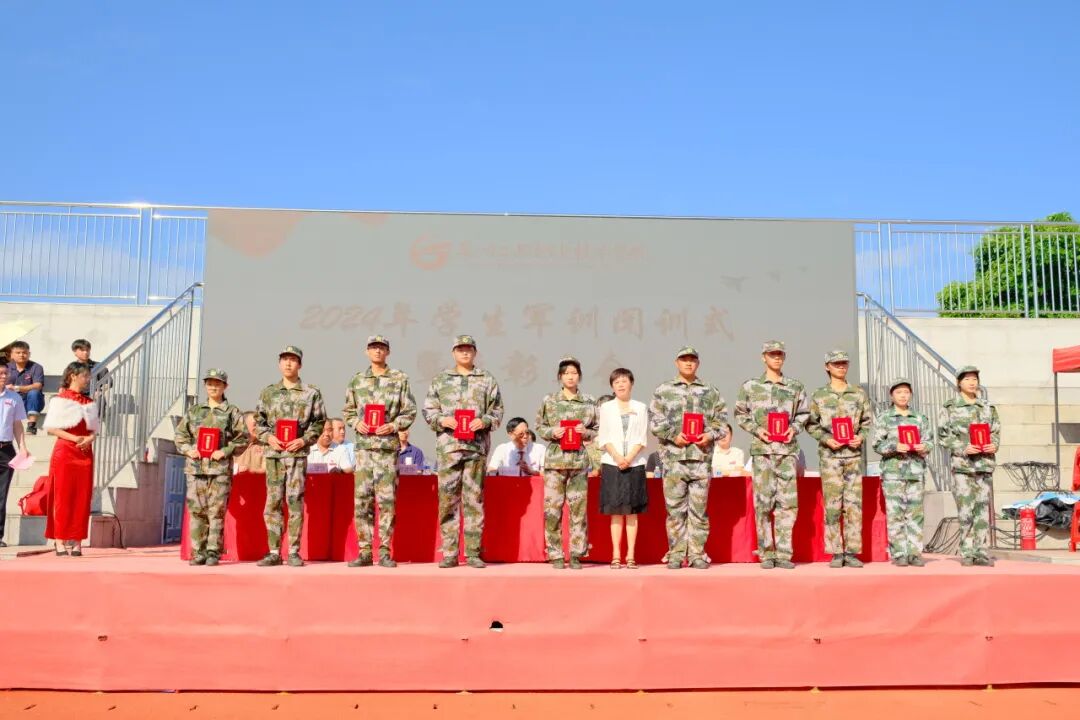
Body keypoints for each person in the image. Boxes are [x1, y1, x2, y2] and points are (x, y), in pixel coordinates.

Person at [422, 335, 504, 568]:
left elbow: (497, 411)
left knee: (474, 501)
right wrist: (442, 420)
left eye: (469, 349)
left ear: (475, 353)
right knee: (447, 501)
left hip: (475, 448)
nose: (465, 353)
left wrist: (484, 421)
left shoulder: (486, 379)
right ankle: (449, 553)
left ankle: (473, 552)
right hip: (449, 448)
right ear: (453, 353)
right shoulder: (441, 379)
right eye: (460, 349)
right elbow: (428, 410)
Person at [649, 346, 728, 570]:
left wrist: (709, 435)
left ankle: (697, 554)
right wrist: (673, 435)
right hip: (674, 460)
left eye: (692, 359)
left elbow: (722, 420)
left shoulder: (710, 391)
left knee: (699, 511)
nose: (688, 363)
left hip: (700, 459)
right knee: (675, 511)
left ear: (698, 363)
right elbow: (655, 420)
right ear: (677, 363)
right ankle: (675, 553)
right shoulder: (664, 390)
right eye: (684, 359)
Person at [342, 335, 417, 568]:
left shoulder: (399, 379)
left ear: (388, 352)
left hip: (386, 449)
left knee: (387, 501)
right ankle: (364, 551)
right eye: (373, 348)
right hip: (364, 449)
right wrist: (356, 423)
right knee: (362, 501)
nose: (377, 351)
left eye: (382, 348)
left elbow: (409, 411)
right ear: (366, 351)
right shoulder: (357, 380)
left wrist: (393, 426)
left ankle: (384, 551)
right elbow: (348, 411)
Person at [735, 340, 810, 570]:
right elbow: (740, 414)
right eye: (772, 354)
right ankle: (767, 552)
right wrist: (757, 430)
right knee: (763, 503)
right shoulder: (751, 386)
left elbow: (804, 413)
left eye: (780, 354)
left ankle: (784, 553)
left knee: (787, 504)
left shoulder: (795, 386)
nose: (776, 358)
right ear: (763, 357)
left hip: (786, 452)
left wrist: (793, 429)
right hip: (763, 451)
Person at [253, 346, 326, 567]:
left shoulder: (311, 393)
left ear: (300, 365)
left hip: (297, 455)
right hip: (274, 456)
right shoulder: (268, 393)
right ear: (279, 364)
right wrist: (268, 438)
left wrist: (304, 440)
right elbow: (259, 423)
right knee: (273, 503)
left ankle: (294, 551)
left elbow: (319, 422)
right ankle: (274, 551)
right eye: (284, 359)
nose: (288, 363)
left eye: (293, 360)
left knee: (295, 502)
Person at [173, 369, 248, 566]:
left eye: (217, 383)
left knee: (216, 511)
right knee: (197, 511)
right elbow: (180, 436)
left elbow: (243, 438)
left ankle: (213, 551)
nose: (213, 387)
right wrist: (189, 450)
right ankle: (198, 551)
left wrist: (225, 451)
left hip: (219, 470)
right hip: (196, 468)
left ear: (225, 386)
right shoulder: (195, 411)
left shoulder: (232, 412)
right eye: (210, 383)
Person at [807, 350, 873, 568]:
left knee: (854, 505)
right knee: (833, 505)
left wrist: (860, 437)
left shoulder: (858, 393)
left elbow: (867, 421)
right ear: (827, 366)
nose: (841, 367)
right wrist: (826, 439)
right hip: (830, 457)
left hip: (853, 456)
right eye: (836, 364)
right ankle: (836, 551)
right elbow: (811, 424)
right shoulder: (819, 395)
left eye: (844, 363)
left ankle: (852, 552)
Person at [536, 356, 599, 570]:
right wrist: (552, 432)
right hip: (555, 461)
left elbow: (598, 429)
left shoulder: (589, 401)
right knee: (552, 510)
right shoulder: (549, 400)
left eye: (574, 373)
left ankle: (576, 554)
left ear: (579, 376)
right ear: (560, 377)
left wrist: (586, 432)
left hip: (578, 461)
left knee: (578, 510)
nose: (570, 377)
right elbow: (540, 426)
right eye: (566, 373)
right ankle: (555, 553)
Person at [938, 365, 1001, 567]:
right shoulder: (950, 408)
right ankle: (967, 551)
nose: (972, 383)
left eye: (974, 379)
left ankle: (981, 551)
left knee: (982, 509)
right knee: (966, 509)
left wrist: (994, 444)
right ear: (959, 383)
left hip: (984, 464)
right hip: (963, 466)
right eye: (967, 379)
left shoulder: (988, 408)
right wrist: (963, 448)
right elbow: (943, 436)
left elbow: (995, 431)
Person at [872, 378, 934, 567]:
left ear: (911, 395)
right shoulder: (884, 417)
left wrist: (923, 446)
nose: (903, 395)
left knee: (915, 514)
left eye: (906, 392)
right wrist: (894, 446)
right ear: (892, 396)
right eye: (899, 392)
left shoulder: (920, 418)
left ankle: (914, 552)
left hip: (915, 471)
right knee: (895, 514)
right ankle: (899, 552)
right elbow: (877, 444)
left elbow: (929, 441)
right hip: (893, 473)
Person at [42, 363, 98, 556]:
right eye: (85, 376)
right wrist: (76, 439)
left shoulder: (89, 402)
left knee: (82, 497)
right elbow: (51, 428)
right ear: (73, 376)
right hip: (65, 451)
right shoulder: (60, 400)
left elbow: (94, 430)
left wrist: (89, 439)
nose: (87, 379)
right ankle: (59, 539)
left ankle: (77, 541)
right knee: (62, 496)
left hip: (84, 452)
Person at [598, 368, 648, 569]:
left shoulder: (641, 407)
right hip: (612, 464)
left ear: (631, 383)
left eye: (624, 380)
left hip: (635, 464)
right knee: (616, 511)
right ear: (612, 386)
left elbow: (642, 438)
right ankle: (616, 554)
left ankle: (631, 555)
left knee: (632, 511)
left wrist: (629, 457)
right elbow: (604, 437)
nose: (620, 384)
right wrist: (618, 457)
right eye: (616, 381)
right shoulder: (606, 407)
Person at [0, 365, 28, 547]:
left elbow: (17, 425)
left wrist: (23, 447)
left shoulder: (14, 397)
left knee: (2, 494)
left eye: (5, 373)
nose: (3, 376)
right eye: (0, 374)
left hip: (6, 449)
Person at [5, 341, 44, 435]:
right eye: (18, 353)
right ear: (11, 355)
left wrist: (16, 388)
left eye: (24, 352)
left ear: (29, 354)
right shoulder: (5, 368)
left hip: (30, 401)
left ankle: (31, 425)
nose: (21, 355)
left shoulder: (36, 367)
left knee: (34, 392)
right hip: (11, 401)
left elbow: (38, 385)